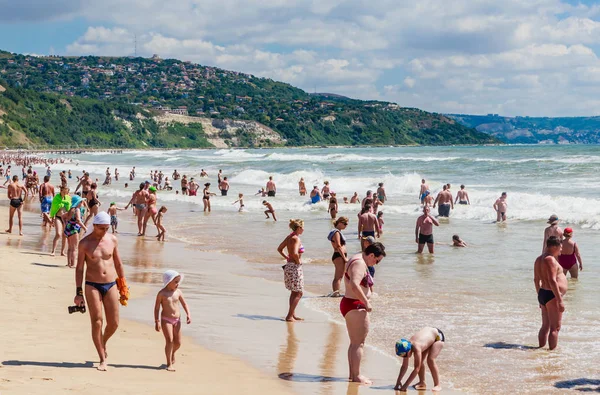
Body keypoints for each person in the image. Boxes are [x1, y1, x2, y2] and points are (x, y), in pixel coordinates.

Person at [74, 212, 128, 371]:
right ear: (94, 226)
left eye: (106, 228)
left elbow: (118, 264)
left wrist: (123, 284)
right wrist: (78, 292)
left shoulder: (112, 240)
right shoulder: (85, 243)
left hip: (110, 284)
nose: (104, 231)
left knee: (114, 323)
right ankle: (102, 358)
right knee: (97, 321)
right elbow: (79, 269)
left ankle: (102, 342)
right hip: (92, 285)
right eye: (101, 228)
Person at [340, 243, 386, 384]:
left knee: (354, 343)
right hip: (355, 305)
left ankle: (352, 374)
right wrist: (366, 302)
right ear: (371, 255)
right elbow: (354, 284)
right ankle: (356, 376)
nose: (376, 264)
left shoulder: (357, 259)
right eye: (377, 260)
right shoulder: (360, 263)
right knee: (359, 343)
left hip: (351, 303)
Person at [534, 236, 568, 350]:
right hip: (552, 295)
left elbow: (536, 280)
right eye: (560, 247)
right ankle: (551, 354)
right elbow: (552, 281)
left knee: (545, 326)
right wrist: (560, 300)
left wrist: (539, 296)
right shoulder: (550, 259)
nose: (561, 250)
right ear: (554, 246)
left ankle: (540, 350)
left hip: (543, 293)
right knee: (555, 328)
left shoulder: (539, 259)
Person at [154, 270, 191, 371]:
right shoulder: (162, 294)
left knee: (178, 342)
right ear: (168, 281)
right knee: (169, 340)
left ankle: (173, 353)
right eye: (175, 282)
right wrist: (157, 321)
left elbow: (184, 304)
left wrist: (188, 314)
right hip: (166, 320)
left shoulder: (178, 292)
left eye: (178, 281)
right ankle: (169, 363)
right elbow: (157, 308)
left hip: (177, 320)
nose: (177, 284)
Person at [394, 327, 445, 392]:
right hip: (427, 338)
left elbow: (416, 369)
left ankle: (437, 385)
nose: (404, 357)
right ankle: (422, 383)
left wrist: (405, 385)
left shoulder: (416, 348)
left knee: (430, 360)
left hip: (437, 336)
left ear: (409, 350)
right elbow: (404, 366)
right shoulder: (406, 346)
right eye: (401, 355)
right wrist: (398, 382)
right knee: (420, 362)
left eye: (404, 355)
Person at [277, 219, 305, 321]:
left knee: (294, 292)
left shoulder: (289, 237)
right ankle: (289, 316)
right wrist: (298, 261)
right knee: (299, 292)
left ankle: (292, 314)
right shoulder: (296, 238)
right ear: (298, 228)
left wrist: (287, 258)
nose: (303, 229)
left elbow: (279, 249)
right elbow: (294, 253)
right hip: (294, 266)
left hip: (289, 265)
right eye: (302, 227)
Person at [64, 195, 87, 268]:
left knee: (70, 247)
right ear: (78, 202)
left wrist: (65, 224)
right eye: (81, 202)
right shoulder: (77, 209)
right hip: (74, 229)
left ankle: (69, 263)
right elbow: (78, 220)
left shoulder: (71, 209)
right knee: (74, 248)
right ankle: (73, 264)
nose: (82, 203)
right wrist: (85, 228)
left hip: (68, 228)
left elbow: (63, 216)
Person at [328, 217, 349, 297]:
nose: (346, 226)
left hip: (339, 255)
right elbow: (338, 246)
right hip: (339, 255)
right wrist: (344, 258)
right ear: (340, 222)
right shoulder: (336, 232)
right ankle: (336, 293)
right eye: (345, 224)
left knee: (340, 276)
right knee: (338, 277)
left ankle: (336, 292)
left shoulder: (337, 232)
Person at [50, 186, 71, 256]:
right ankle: (53, 251)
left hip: (65, 218)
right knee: (58, 234)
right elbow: (53, 208)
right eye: (64, 191)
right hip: (58, 217)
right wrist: (52, 218)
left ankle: (62, 252)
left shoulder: (68, 198)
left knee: (64, 235)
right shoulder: (56, 198)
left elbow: (70, 207)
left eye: (67, 191)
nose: (66, 193)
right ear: (61, 190)